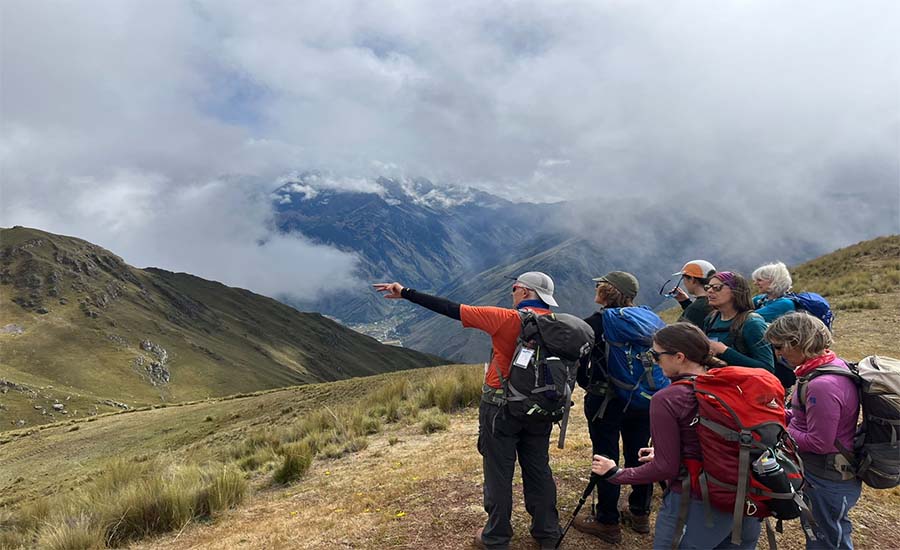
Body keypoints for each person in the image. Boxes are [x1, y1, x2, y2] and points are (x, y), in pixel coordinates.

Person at [374, 272, 561, 550]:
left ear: (523, 291)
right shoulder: (558, 324)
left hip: (500, 407)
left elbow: (451, 309)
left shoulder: (505, 318)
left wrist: (405, 292)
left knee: (498, 472)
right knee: (538, 468)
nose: (512, 293)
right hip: (540, 409)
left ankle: (496, 537)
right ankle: (547, 532)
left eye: (514, 288)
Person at [590, 323, 762, 549]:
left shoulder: (668, 398)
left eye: (655, 354)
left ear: (679, 357)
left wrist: (615, 473)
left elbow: (665, 468)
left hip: (696, 504)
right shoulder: (727, 384)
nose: (652, 361)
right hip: (746, 501)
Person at [575, 271, 661, 543]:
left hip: (606, 400)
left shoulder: (600, 321)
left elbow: (574, 343)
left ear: (607, 292)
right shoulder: (648, 318)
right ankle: (640, 514)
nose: (597, 288)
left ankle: (607, 521)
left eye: (600, 285)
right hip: (643, 399)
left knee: (604, 455)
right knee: (640, 453)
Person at [765, 313, 861, 550]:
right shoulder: (824, 368)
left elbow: (819, 442)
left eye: (779, 347)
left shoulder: (822, 385)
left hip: (827, 478)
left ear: (797, 342)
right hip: (824, 473)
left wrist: (779, 427)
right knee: (820, 534)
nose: (778, 354)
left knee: (828, 540)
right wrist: (778, 413)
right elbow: (804, 420)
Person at [702, 271, 774, 373]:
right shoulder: (711, 319)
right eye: (707, 287)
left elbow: (768, 368)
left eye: (716, 287)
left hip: (744, 386)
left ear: (735, 291)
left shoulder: (752, 323)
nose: (709, 291)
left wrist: (725, 351)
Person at [669, 260, 717, 327]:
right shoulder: (717, 301)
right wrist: (685, 302)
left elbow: (680, 335)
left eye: (683, 278)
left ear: (692, 279)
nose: (684, 282)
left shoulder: (695, 309)